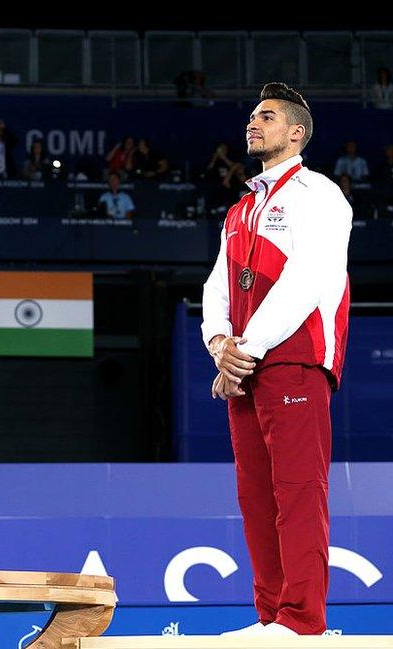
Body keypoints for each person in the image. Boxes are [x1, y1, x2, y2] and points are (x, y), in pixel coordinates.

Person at [202, 83, 351, 637]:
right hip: (242, 369)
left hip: (295, 360)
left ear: (297, 132)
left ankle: (302, 620)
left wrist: (248, 347)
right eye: (250, 116)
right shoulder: (241, 209)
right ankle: (270, 618)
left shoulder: (320, 195)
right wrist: (219, 343)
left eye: (266, 116)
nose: (252, 123)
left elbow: (308, 280)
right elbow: (218, 284)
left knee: (298, 494)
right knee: (257, 500)